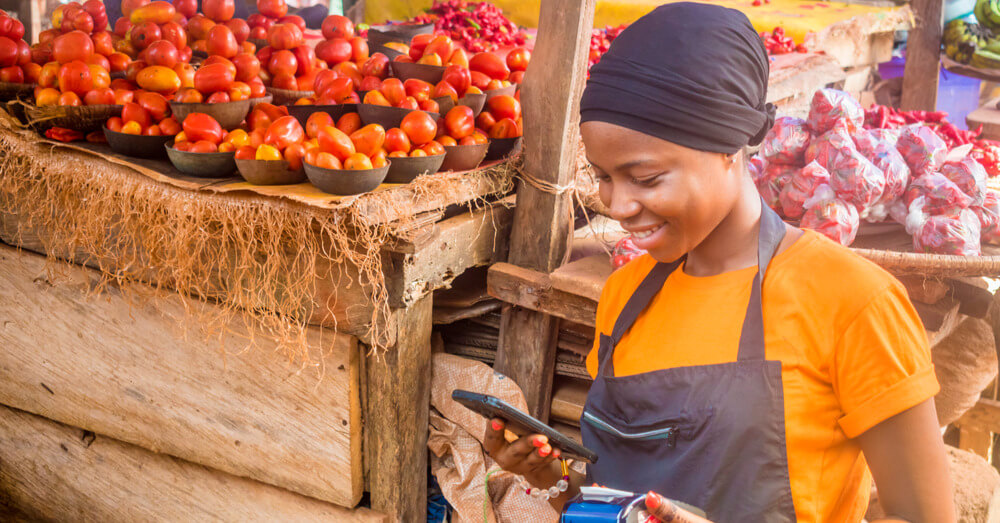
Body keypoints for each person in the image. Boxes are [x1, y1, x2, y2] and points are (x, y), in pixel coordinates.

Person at [484, 3, 956, 521]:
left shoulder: (853, 303)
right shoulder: (623, 299)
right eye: (603, 176)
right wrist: (548, 477)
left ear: (730, 147)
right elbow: (616, 499)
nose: (617, 207)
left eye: (645, 178)